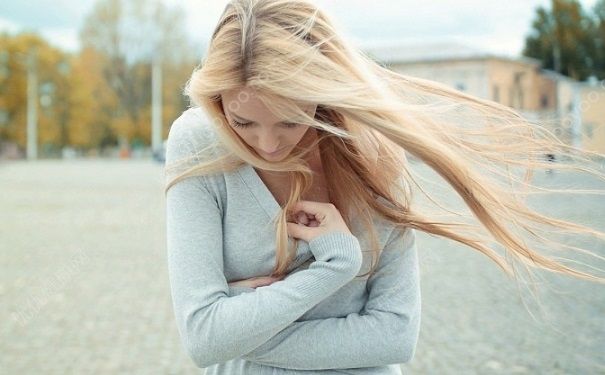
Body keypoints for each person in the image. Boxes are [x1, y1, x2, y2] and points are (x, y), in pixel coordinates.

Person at [163, 0, 605, 373]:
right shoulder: (197, 142)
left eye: (291, 119)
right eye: (243, 122)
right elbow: (203, 338)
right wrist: (333, 267)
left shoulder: (374, 154)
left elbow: (395, 333)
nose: (267, 143)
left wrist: (242, 328)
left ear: (322, 90)